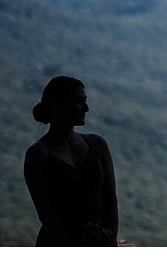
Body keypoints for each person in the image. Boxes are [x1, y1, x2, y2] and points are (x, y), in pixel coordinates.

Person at [23, 76, 119, 246]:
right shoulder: (38, 154)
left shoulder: (98, 145)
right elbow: (47, 215)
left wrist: (109, 240)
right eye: (78, 102)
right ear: (57, 104)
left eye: (85, 101)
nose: (86, 108)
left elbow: (110, 200)